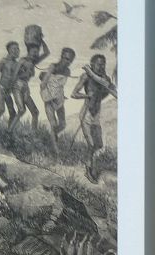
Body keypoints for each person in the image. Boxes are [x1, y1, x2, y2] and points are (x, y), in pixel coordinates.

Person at [71, 54, 116, 183]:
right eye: (98, 64)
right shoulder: (86, 76)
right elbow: (74, 94)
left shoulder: (105, 78)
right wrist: (86, 96)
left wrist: (99, 96)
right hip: (86, 114)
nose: (101, 66)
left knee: (99, 145)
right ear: (92, 64)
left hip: (96, 115)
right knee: (91, 144)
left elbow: (108, 90)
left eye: (103, 64)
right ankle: (89, 171)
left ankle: (87, 160)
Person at [40, 47, 75, 144]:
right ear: (62, 57)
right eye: (66, 58)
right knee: (53, 124)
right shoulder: (53, 67)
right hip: (49, 99)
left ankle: (49, 138)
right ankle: (55, 150)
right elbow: (43, 84)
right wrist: (47, 96)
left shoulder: (67, 71)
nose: (68, 62)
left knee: (63, 125)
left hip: (59, 100)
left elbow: (60, 86)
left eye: (70, 60)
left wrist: (61, 95)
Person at [0, 41, 21, 127]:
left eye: (18, 48)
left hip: (8, 90)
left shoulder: (17, 64)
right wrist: (0, 85)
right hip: (1, 88)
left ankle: (9, 131)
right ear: (9, 50)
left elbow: (16, 78)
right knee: (1, 110)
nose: (17, 51)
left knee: (12, 112)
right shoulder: (4, 61)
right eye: (14, 49)